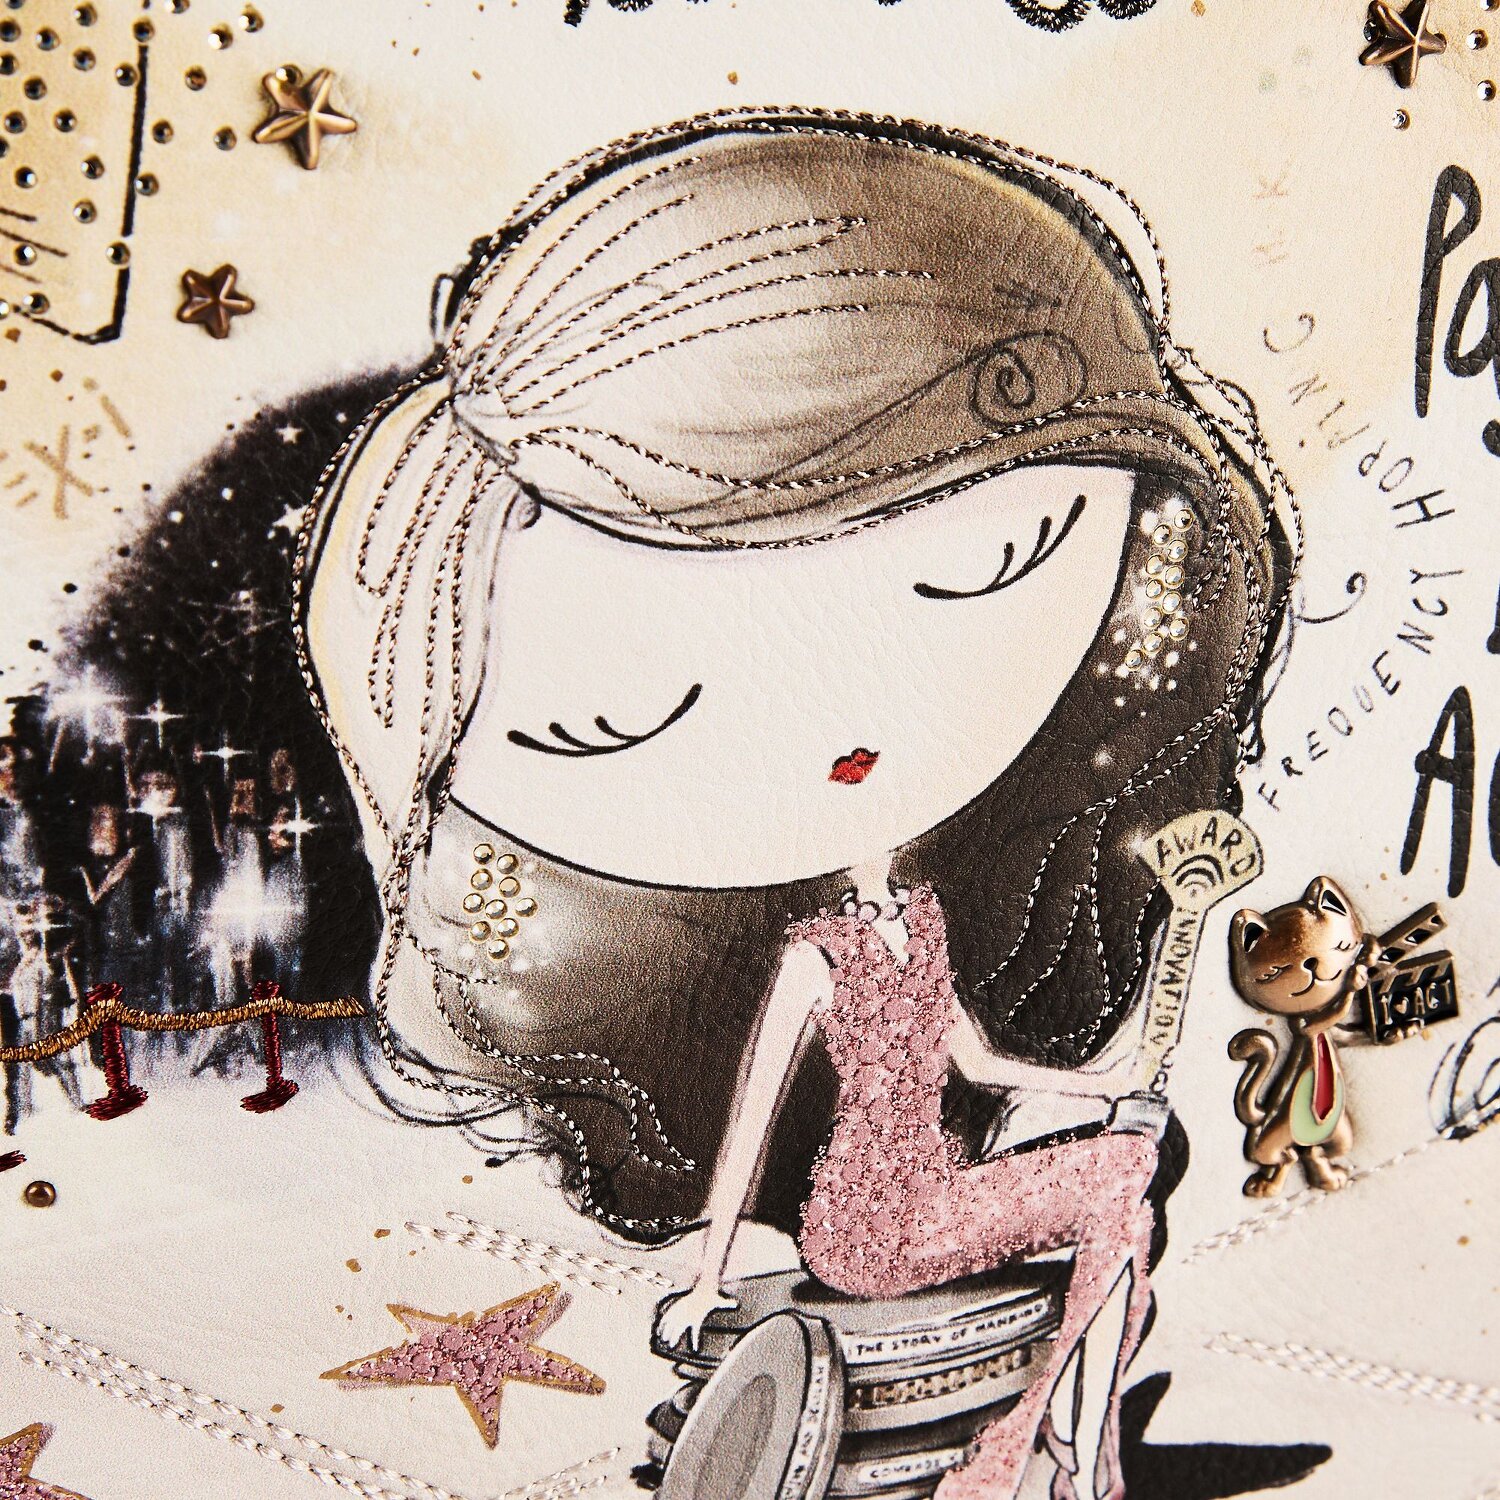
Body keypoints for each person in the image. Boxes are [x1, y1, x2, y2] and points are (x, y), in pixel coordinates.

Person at [298, 111, 1292, 1498]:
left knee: (1123, 1173)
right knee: (1117, 1198)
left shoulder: (917, 923)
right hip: (872, 1231)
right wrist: (713, 1273)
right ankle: (1039, 1446)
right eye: (615, 723)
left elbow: (977, 1061)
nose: (844, 745)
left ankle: (1051, 1438)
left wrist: (1095, 1090)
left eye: (994, 561)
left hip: (927, 1195)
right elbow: (761, 1110)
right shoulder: (823, 958)